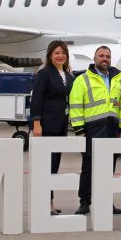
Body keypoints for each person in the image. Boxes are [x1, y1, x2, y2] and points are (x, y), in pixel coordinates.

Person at [70, 46, 121, 215]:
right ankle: (84, 202)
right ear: (95, 58)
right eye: (101, 56)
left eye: (108, 56)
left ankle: (106, 202)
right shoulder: (82, 79)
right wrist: (79, 129)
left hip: (112, 128)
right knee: (88, 166)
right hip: (91, 128)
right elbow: (75, 105)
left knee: (109, 166)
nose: (105, 59)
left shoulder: (118, 80)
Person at [31, 40, 75, 215]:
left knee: (55, 165)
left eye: (63, 53)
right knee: (46, 166)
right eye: (56, 53)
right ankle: (46, 203)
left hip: (61, 126)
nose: (60, 56)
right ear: (50, 55)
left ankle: (49, 201)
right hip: (47, 125)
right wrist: (36, 122)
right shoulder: (44, 73)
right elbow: (37, 99)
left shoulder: (68, 75)